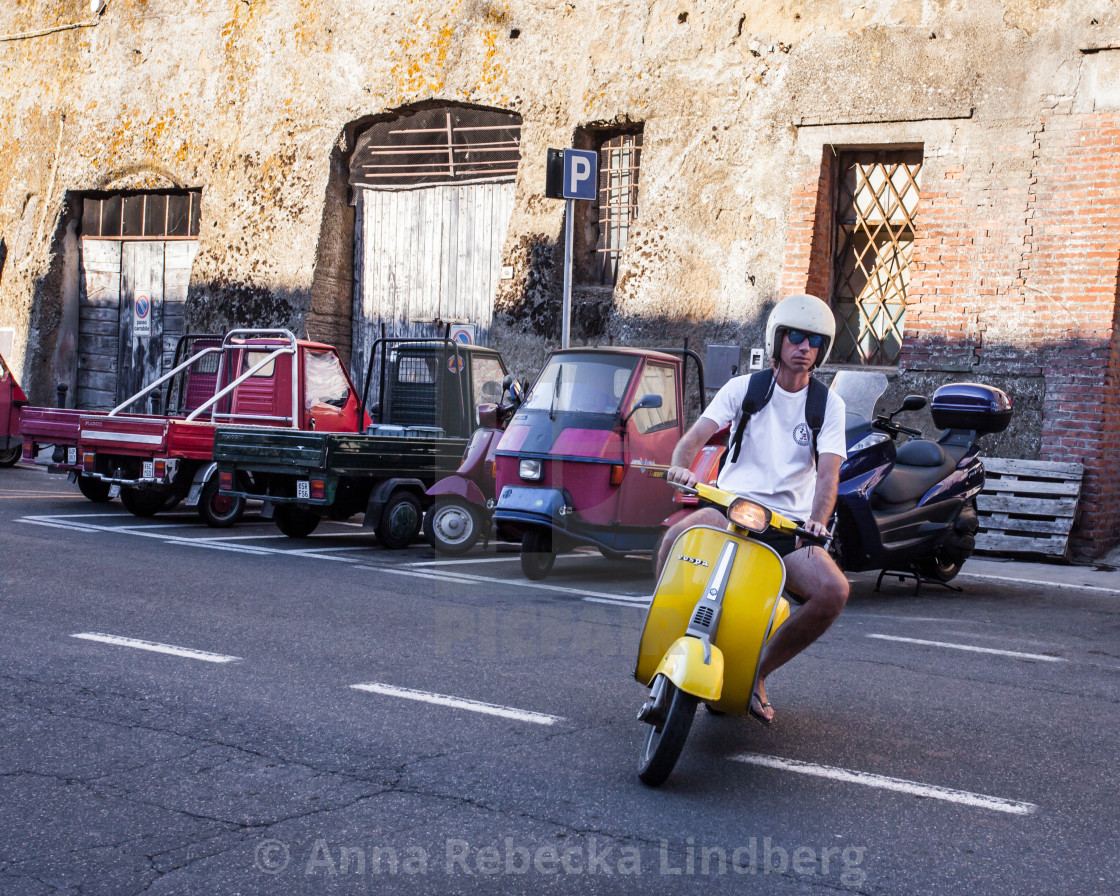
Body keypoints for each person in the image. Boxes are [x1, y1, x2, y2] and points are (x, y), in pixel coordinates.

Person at [658, 294, 850, 726]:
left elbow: (828, 476)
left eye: (815, 341)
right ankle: (667, 644)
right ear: (778, 339)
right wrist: (680, 467)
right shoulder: (744, 388)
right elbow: (695, 437)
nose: (804, 347)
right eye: (796, 337)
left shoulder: (828, 405)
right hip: (730, 507)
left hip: (786, 527)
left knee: (833, 592)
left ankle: (757, 673)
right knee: (675, 540)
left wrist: (817, 521)